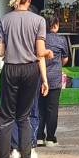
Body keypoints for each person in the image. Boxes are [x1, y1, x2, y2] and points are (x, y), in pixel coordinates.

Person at [0, 0, 49, 158]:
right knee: (24, 117)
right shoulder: (39, 21)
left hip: (10, 69)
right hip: (30, 70)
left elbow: (0, 52)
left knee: (6, 119)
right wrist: (48, 55)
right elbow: (40, 51)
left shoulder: (3, 21)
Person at [32, 12, 70, 147]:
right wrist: (57, 63)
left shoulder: (38, 39)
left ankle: (38, 137)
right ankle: (50, 138)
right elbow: (65, 59)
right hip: (54, 78)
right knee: (52, 109)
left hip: (38, 77)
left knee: (39, 108)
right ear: (56, 25)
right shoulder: (61, 40)